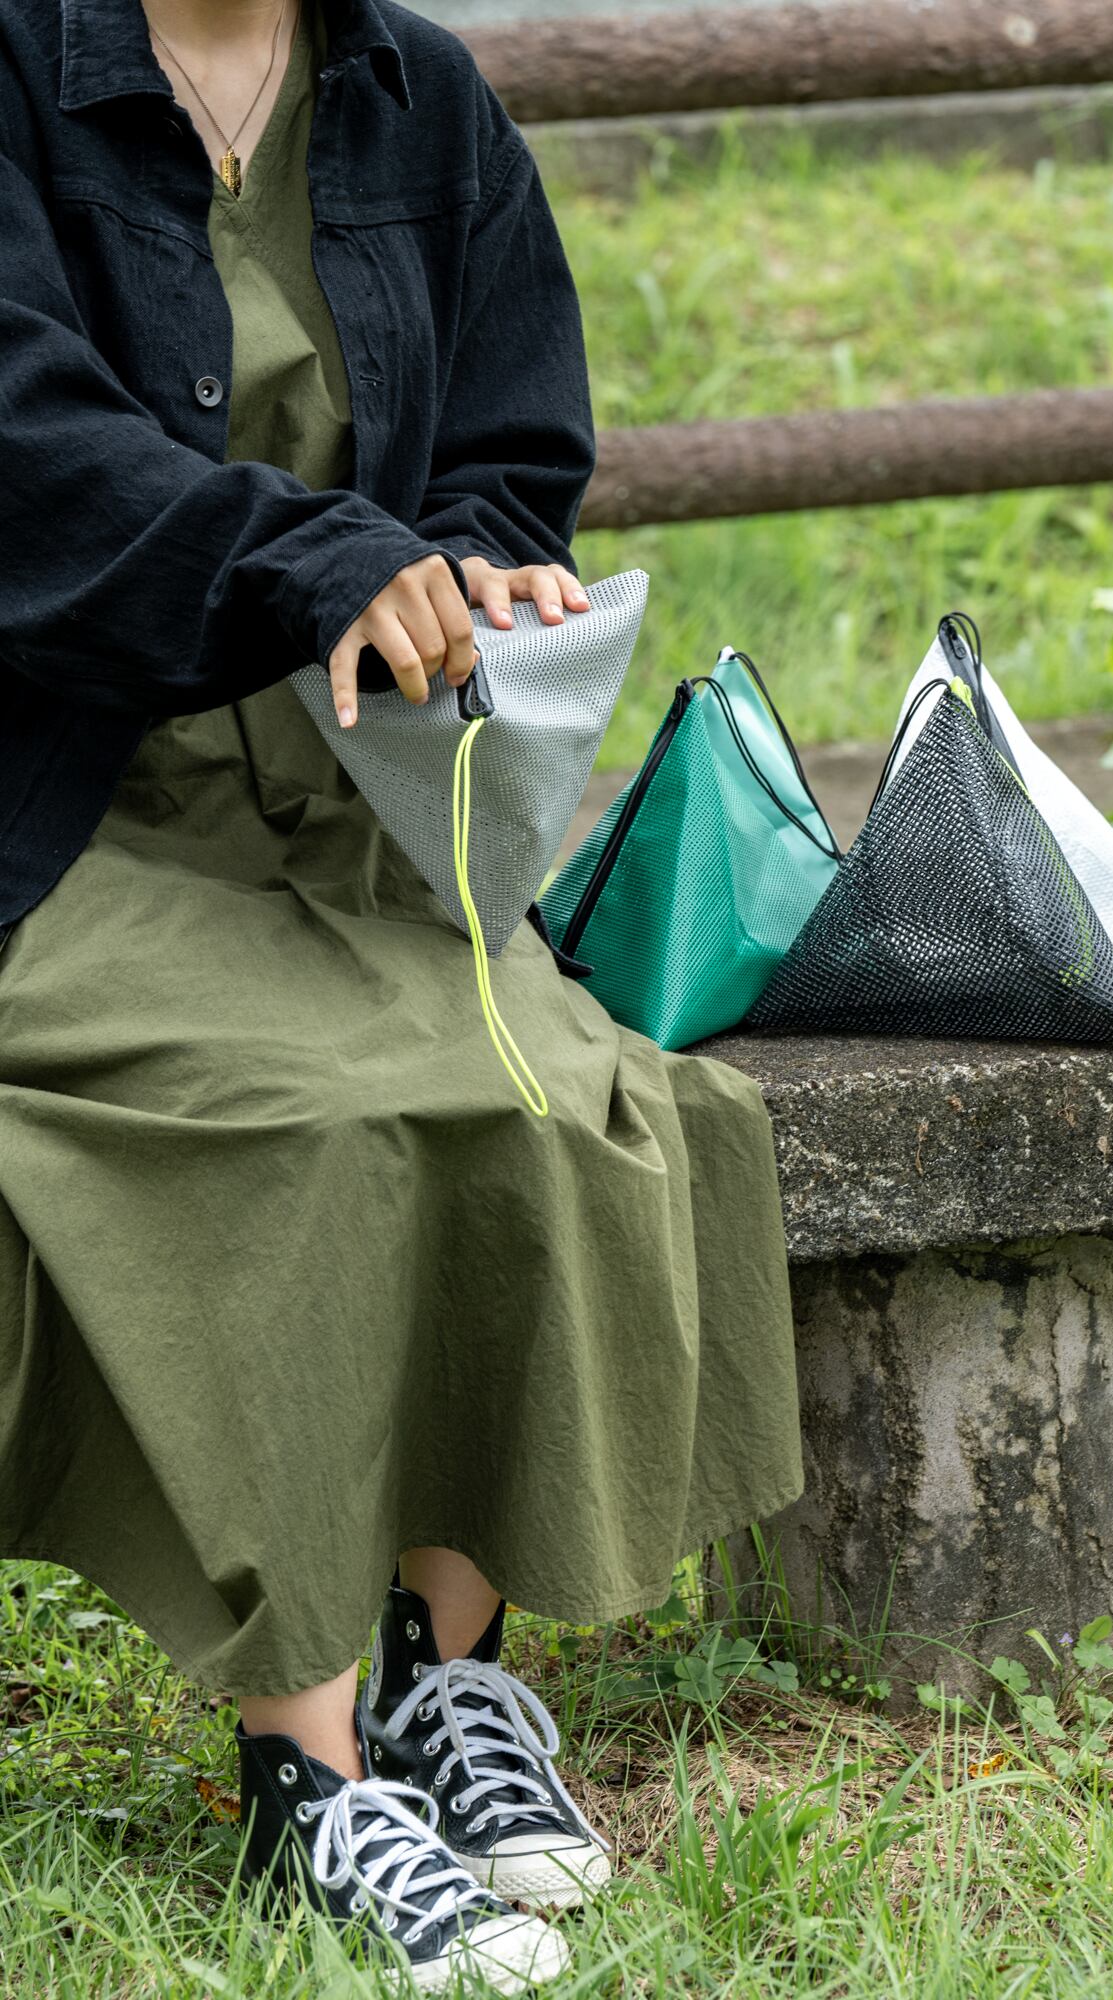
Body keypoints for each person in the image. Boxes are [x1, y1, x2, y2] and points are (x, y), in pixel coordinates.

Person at [0, 0, 807, 1987]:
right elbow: (25, 452)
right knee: (306, 1125)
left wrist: (481, 570)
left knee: (557, 1094)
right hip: (71, 821)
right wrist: (317, 562)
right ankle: (310, 1771)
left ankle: (452, 1681)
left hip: (366, 813)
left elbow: (514, 447)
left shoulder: (415, 95)